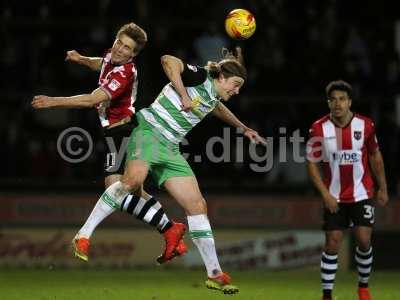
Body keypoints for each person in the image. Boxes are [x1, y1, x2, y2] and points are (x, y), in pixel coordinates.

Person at [72, 46, 264, 294]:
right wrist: (183, 94)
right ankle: (83, 235)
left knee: (197, 205)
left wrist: (242, 127)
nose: (236, 91)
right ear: (221, 77)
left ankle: (215, 273)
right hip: (149, 132)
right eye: (235, 84)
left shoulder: (213, 94)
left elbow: (214, 106)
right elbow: (168, 60)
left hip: (170, 148)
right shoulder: (199, 76)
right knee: (131, 182)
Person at [31, 22, 187, 264]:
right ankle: (170, 230)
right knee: (134, 193)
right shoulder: (111, 57)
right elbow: (101, 63)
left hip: (124, 133)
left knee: (114, 189)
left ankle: (85, 235)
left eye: (127, 48)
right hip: (116, 133)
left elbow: (92, 99)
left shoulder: (125, 73)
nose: (120, 50)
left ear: (134, 54)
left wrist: (52, 101)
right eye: (119, 43)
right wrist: (81, 59)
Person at [306, 80, 389, 300]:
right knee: (332, 242)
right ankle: (327, 294)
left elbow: (375, 157)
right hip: (334, 196)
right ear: (328, 103)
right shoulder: (318, 128)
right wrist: (325, 194)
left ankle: (363, 286)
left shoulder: (366, 125)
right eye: (333, 99)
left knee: (363, 240)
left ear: (349, 101)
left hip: (362, 193)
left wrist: (383, 187)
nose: (337, 103)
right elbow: (312, 163)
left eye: (342, 99)